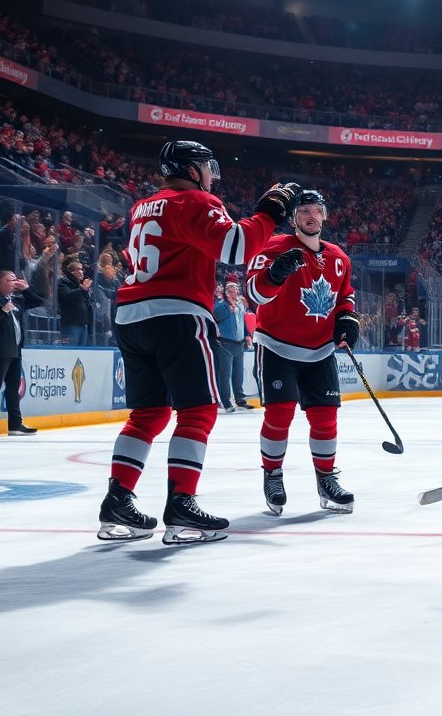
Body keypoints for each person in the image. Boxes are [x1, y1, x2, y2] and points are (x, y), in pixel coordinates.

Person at [97, 140, 296, 545]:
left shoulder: (142, 206)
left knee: (148, 415)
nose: (210, 176)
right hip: (177, 314)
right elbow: (236, 247)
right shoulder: (195, 201)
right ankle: (182, 505)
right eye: (206, 167)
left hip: (131, 316)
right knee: (199, 411)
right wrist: (270, 212)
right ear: (191, 170)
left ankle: (117, 500)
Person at [245, 190, 360, 515]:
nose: (311, 216)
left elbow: (345, 297)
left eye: (316, 211)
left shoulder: (339, 257)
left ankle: (326, 479)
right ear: (293, 217)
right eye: (304, 211)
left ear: (324, 216)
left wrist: (347, 319)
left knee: (325, 418)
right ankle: (273, 475)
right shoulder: (272, 248)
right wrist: (275, 275)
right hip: (277, 345)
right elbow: (255, 292)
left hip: (320, 350)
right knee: (279, 415)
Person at [0, 270, 44, 437]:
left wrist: (26, 288)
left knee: (14, 388)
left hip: (15, 349)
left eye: (15, 279)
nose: (14, 282)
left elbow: (38, 301)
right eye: (9, 280)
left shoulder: (17, 300)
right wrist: (2, 311)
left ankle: (15, 424)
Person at [212, 281, 252, 412]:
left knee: (238, 374)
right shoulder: (220, 305)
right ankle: (226, 401)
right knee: (225, 374)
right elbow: (216, 316)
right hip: (225, 344)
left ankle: (240, 399)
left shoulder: (241, 304)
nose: (232, 292)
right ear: (225, 292)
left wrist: (247, 335)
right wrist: (229, 307)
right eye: (229, 290)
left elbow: (243, 321)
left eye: (234, 289)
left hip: (239, 343)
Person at [57, 260, 94, 346]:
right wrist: (82, 289)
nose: (82, 272)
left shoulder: (80, 284)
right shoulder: (64, 282)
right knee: (70, 352)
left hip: (82, 324)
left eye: (82, 269)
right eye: (79, 269)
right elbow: (66, 297)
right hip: (71, 324)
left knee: (81, 353)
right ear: (72, 272)